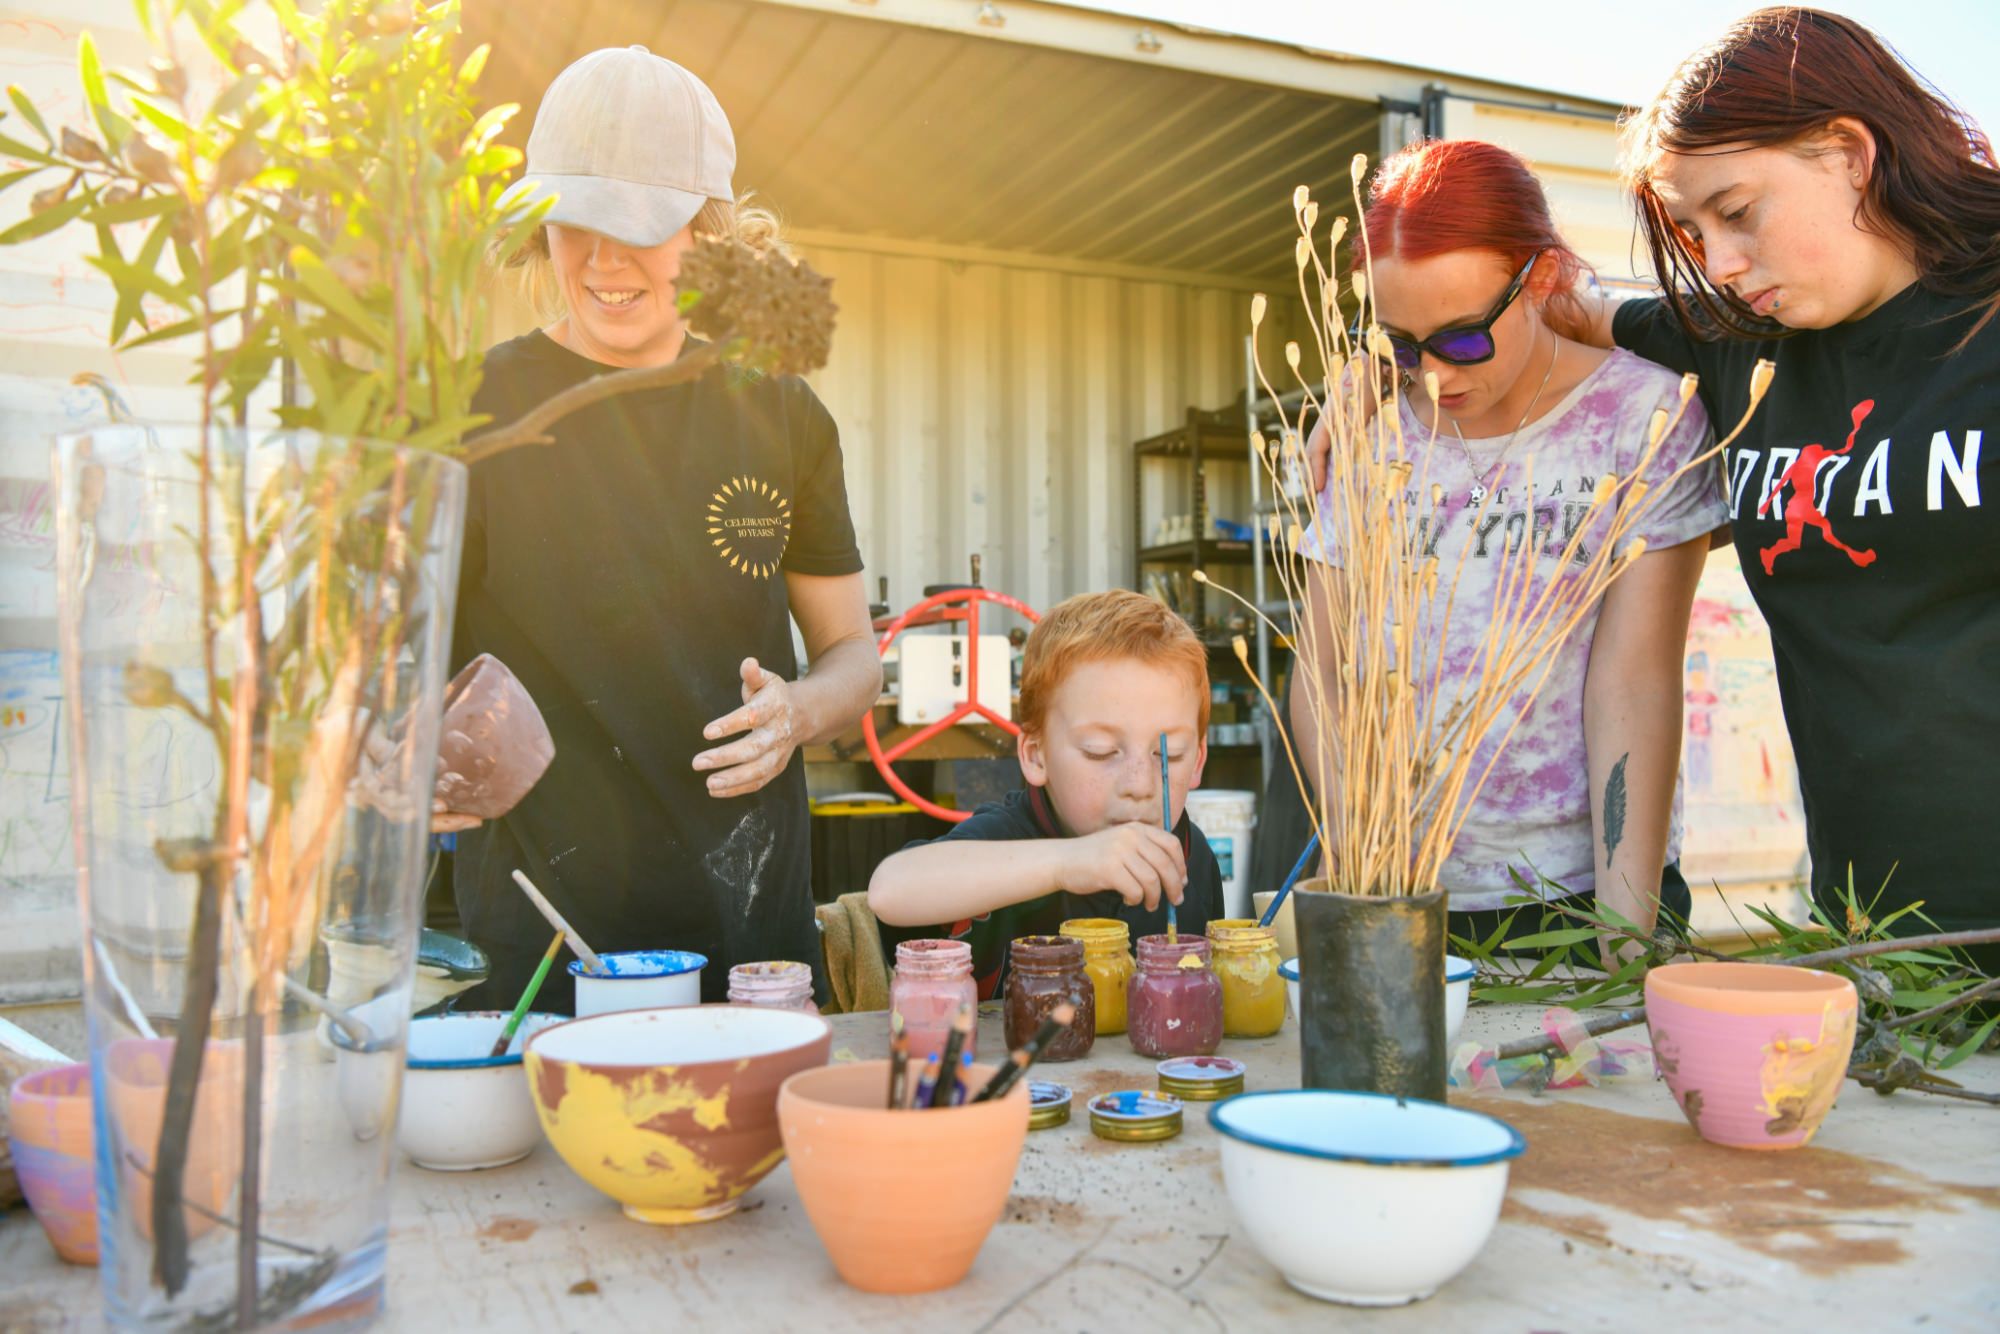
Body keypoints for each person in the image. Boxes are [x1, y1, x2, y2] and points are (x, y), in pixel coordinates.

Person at [450, 46, 881, 1010]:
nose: (604, 260)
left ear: (710, 233)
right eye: (576, 224)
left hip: (751, 940)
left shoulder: (782, 413)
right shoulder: (469, 410)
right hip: (539, 946)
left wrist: (800, 712)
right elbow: (395, 673)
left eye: (639, 228)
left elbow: (854, 652)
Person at [1585, 7, 1999, 954]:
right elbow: (1542, 308)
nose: (1720, 266)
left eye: (1736, 212)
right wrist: (1380, 373)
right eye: (1692, 232)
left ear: (1849, 154)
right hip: (1883, 950)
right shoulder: (1741, 349)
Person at [1291, 140, 1726, 965]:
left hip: (1575, 896)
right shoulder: (1370, 428)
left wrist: (1624, 928)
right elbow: (1326, 666)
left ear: (1544, 280)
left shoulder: (1645, 420)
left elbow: (1633, 679)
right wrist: (1367, 877)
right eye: (1399, 344)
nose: (1432, 378)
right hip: (1398, 886)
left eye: (1460, 340)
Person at [868, 591, 1226, 997]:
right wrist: (1068, 863)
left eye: (1168, 755)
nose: (1140, 785)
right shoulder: (1008, 836)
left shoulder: (1192, 856)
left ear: (1197, 760)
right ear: (1036, 756)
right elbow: (890, 890)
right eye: (1100, 751)